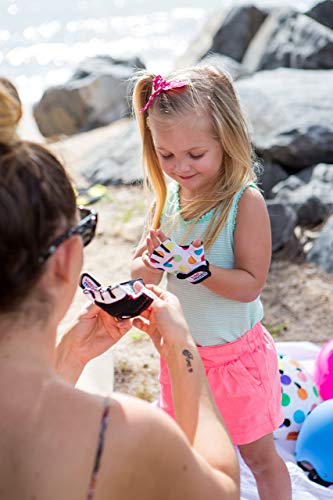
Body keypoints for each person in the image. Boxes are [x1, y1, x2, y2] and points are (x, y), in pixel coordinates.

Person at [0, 77, 240, 500]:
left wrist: (69, 358)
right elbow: (222, 490)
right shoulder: (121, 435)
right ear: (66, 261)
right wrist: (183, 355)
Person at [131, 67, 292, 500]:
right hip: (183, 359)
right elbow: (145, 275)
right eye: (166, 156)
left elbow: (250, 284)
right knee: (193, 455)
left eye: (195, 154)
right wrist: (148, 262)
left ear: (226, 141)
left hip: (236, 362)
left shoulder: (245, 203)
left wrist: (201, 270)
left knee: (259, 459)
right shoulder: (167, 201)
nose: (180, 167)